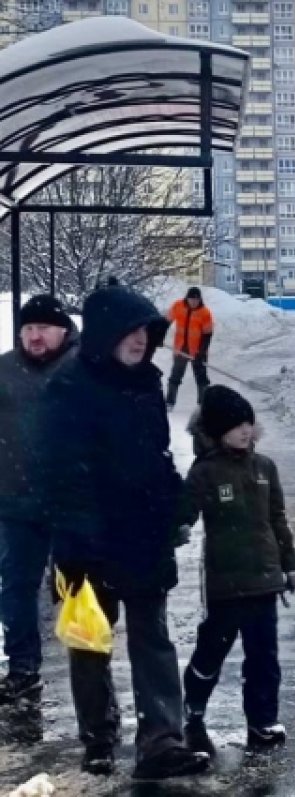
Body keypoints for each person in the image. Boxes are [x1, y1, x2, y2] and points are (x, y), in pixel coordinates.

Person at [36, 285, 210, 779]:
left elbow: (156, 456)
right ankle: (98, 736)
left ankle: (161, 740)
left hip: (142, 536)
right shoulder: (68, 386)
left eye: (145, 332)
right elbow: (60, 473)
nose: (139, 341)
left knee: (153, 639)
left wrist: (174, 503)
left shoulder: (146, 383)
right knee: (90, 644)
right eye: (130, 332)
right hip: (84, 544)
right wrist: (81, 537)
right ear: (105, 335)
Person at [178, 385, 295, 759]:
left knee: (264, 659)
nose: (244, 431)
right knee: (210, 654)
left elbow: (277, 518)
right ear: (217, 431)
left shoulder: (264, 468)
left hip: (264, 582)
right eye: (234, 426)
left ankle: (262, 722)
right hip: (225, 586)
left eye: (247, 423)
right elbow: (183, 514)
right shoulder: (205, 472)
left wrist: (289, 563)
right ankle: (193, 716)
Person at [0, 296, 78, 706]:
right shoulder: (4, 371)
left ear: (63, 330)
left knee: (84, 588)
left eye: (43, 327)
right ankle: (22, 668)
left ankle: (92, 675)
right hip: (16, 502)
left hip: (73, 505)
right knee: (15, 586)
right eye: (28, 328)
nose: (34, 335)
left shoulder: (81, 369)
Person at [165, 287, 214, 410]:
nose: (194, 302)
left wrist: (201, 352)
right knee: (175, 376)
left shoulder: (205, 312)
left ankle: (202, 405)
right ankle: (170, 402)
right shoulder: (178, 306)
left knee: (202, 378)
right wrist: (159, 336)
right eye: (192, 299)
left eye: (196, 300)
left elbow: (207, 334)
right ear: (187, 298)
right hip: (181, 348)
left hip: (198, 351)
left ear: (200, 299)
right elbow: (166, 322)